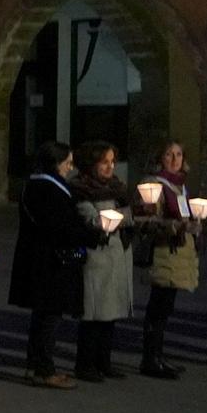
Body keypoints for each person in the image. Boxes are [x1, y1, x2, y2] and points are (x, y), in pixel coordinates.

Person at [10, 141, 102, 389]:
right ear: (55, 162)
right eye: (67, 162)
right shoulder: (48, 188)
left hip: (39, 258)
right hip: (50, 262)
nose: (70, 168)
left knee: (42, 316)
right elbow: (60, 227)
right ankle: (44, 369)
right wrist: (92, 235)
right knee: (49, 316)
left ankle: (35, 366)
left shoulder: (33, 184)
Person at [68, 140, 137, 383]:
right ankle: (85, 364)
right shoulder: (80, 189)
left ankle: (104, 362)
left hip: (118, 257)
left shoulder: (117, 187)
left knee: (111, 315)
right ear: (91, 163)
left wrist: (124, 217)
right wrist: (121, 218)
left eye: (112, 162)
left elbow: (129, 216)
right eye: (103, 162)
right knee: (94, 315)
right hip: (97, 258)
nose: (109, 167)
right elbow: (93, 219)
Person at [137, 141, 199, 379]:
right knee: (158, 306)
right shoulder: (154, 185)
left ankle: (158, 356)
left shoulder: (180, 187)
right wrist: (172, 226)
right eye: (169, 154)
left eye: (179, 154)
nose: (175, 159)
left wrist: (193, 225)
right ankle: (150, 359)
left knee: (165, 308)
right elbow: (147, 220)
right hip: (164, 253)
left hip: (179, 253)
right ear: (160, 158)